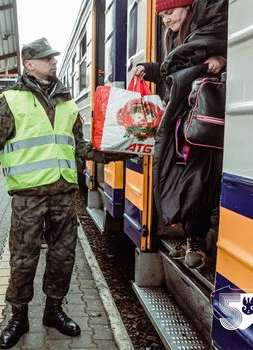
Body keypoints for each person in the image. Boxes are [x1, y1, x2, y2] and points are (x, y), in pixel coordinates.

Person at [0, 37, 127, 349]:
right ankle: (18, 316)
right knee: (23, 259)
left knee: (62, 256)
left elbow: (79, 146)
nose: (53, 62)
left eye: (54, 58)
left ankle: (54, 311)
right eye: (46, 59)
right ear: (29, 64)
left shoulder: (68, 103)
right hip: (28, 196)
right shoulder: (12, 100)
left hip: (63, 193)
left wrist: (113, 152)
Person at [134, 0, 227, 269]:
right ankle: (192, 239)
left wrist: (222, 59)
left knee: (201, 181)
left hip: (206, 123)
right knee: (188, 179)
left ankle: (198, 241)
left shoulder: (205, 29)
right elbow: (176, 73)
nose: (165, 19)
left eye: (170, 12)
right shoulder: (176, 38)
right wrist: (152, 69)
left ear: (187, 8)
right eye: (162, 15)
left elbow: (233, 48)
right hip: (187, 122)